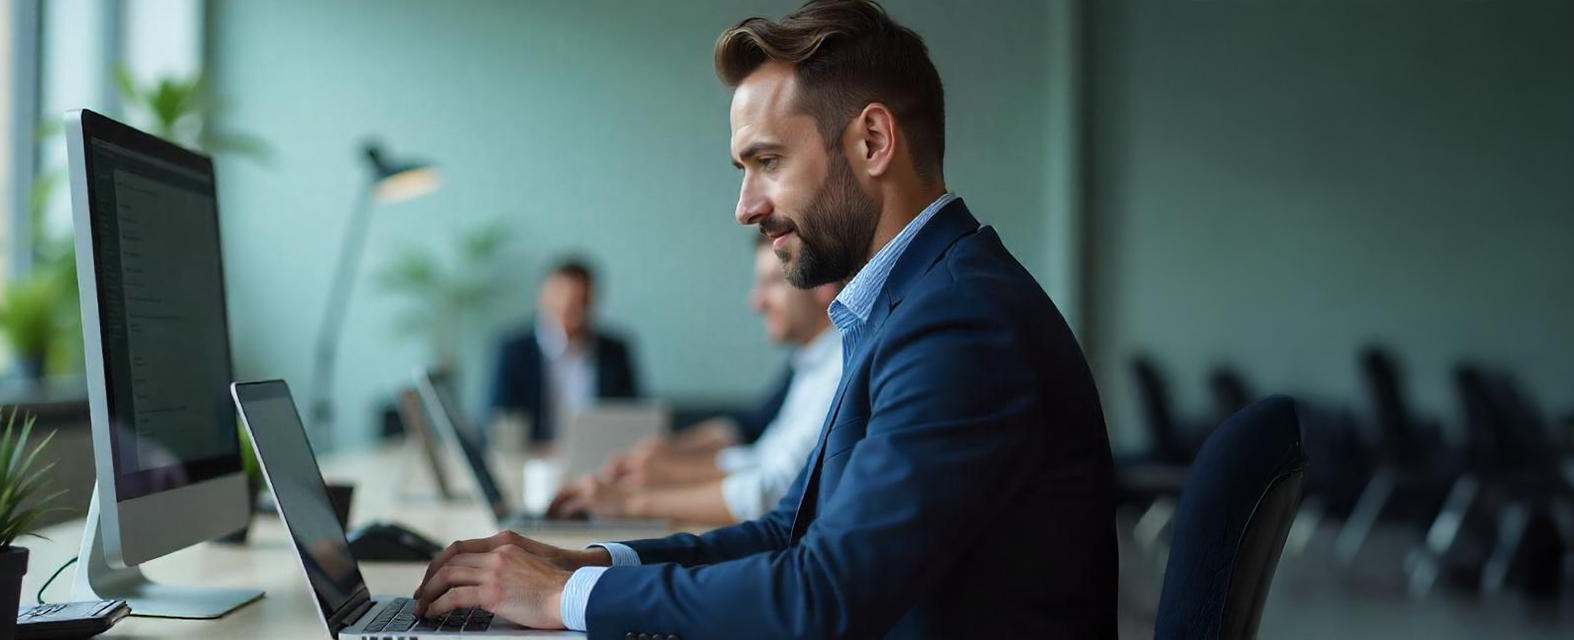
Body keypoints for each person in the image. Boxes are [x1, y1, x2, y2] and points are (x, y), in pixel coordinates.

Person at [413, 1, 1117, 637]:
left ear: (873, 141)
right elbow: (793, 530)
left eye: (768, 161)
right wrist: (587, 564)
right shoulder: (908, 302)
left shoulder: (960, 324)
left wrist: (569, 600)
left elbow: (823, 594)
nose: (745, 207)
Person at [545, 236, 843, 525]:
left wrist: (634, 498)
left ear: (823, 285)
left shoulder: (839, 366)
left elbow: (776, 487)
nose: (756, 302)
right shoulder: (808, 363)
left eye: (774, 282)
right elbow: (760, 455)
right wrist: (663, 462)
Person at [488, 258, 643, 448]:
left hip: (599, 458)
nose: (571, 311)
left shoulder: (615, 351)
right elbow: (498, 421)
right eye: (563, 301)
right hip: (533, 460)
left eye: (580, 302)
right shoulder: (514, 351)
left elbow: (631, 418)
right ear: (543, 298)